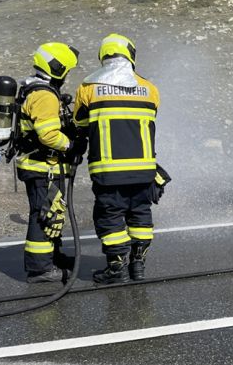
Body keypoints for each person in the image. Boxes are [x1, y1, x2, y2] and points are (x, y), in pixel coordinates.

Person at [71, 33, 161, 284]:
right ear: (130, 55)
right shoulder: (150, 89)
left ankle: (116, 268)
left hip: (109, 172)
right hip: (144, 171)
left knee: (110, 217)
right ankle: (138, 265)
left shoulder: (88, 89)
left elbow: (78, 123)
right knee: (140, 215)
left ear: (103, 55)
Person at [15, 42, 80, 283]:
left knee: (52, 212)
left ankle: (53, 256)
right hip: (44, 167)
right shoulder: (44, 96)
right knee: (43, 215)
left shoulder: (37, 90)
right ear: (58, 68)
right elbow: (48, 135)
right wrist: (71, 146)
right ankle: (40, 268)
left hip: (43, 167)